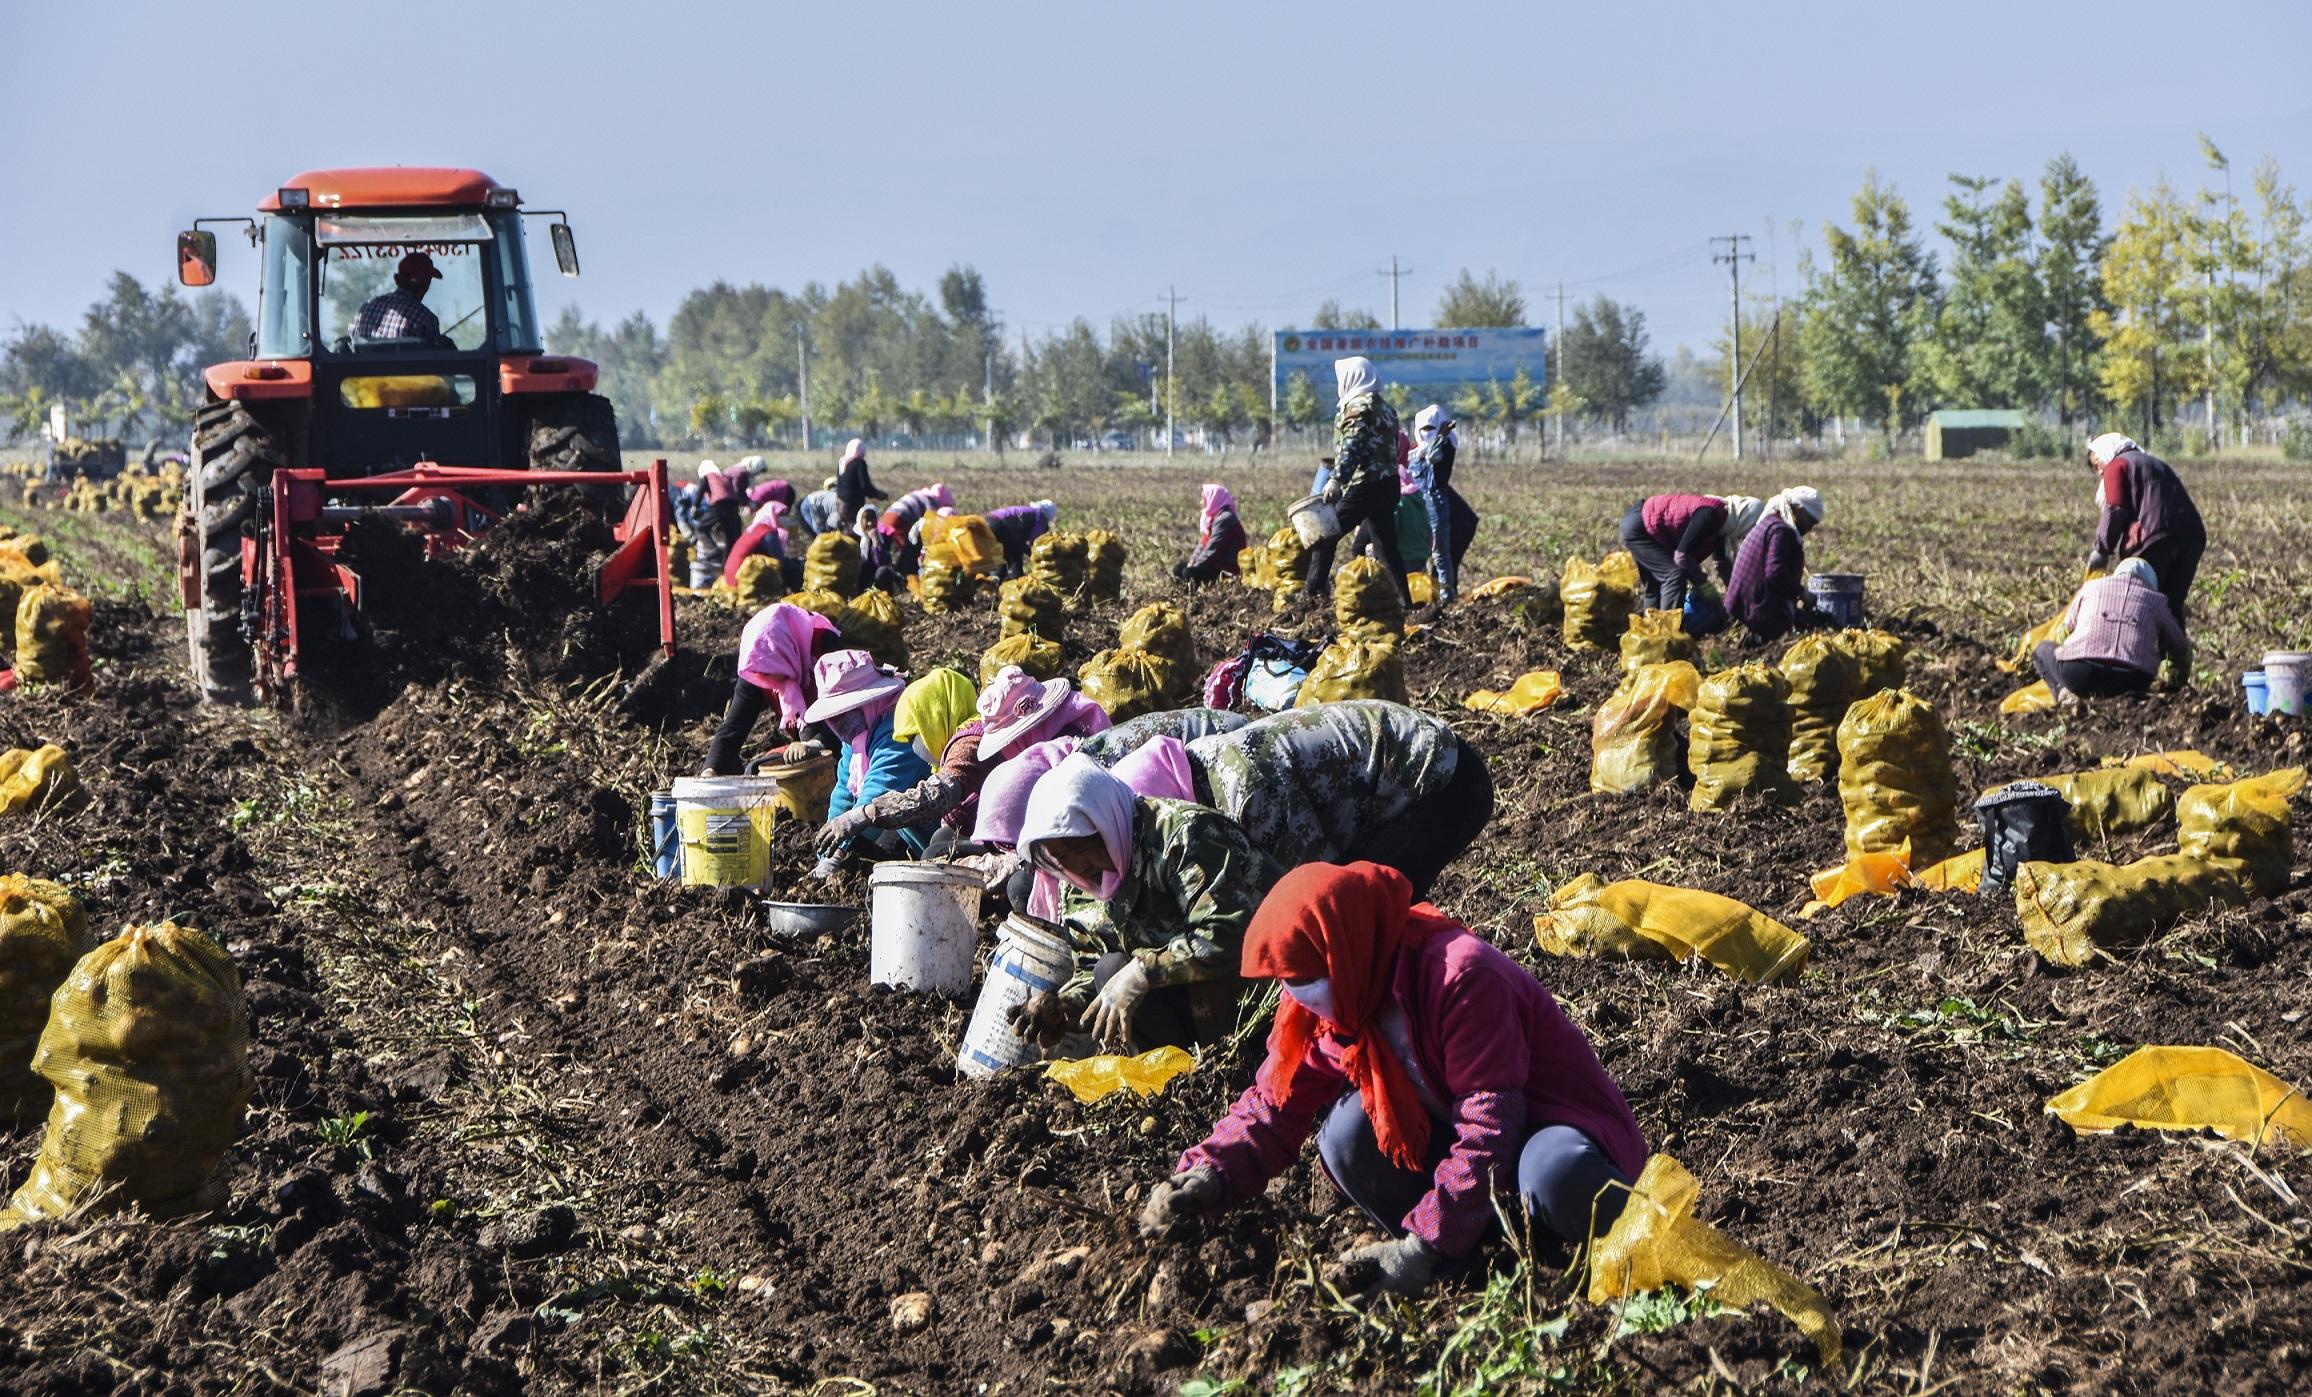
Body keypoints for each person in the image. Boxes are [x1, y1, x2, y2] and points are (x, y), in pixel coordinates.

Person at [1137, 862, 1647, 1296]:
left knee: (1554, 1174)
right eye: (1287, 982)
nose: (1296, 995)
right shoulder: (1345, 1000)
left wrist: (1420, 1246)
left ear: (1346, 947)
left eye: (1304, 977)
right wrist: (1211, 1173)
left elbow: (1494, 1123)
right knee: (1345, 1136)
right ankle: (1475, 1253)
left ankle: (1593, 1250)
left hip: (1548, 1129)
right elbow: (1276, 1101)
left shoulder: (1460, 977)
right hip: (1474, 1146)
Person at [1013, 752, 1283, 1052]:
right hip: (1179, 996)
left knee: (1132, 973)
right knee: (1109, 969)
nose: (1078, 864)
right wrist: (1060, 1009)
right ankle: (1177, 1074)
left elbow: (1229, 932)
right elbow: (1090, 971)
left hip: (1257, 985)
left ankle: (1241, 1058)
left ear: (1106, 821)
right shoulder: (1078, 888)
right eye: (1062, 857)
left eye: (1082, 845)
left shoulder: (1182, 837)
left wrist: (1144, 971)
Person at [1185, 701, 1491, 898]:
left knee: (1371, 912)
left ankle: (1454, 984)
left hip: (1446, 784)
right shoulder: (1198, 766)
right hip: (1407, 775)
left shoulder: (1245, 787)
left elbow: (1321, 888)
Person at [821, 665, 1116, 858]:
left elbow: (937, 795)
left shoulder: (969, 743)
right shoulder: (971, 736)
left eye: (915, 737)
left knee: (937, 852)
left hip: (1060, 831)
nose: (914, 748)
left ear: (933, 721)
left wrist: (865, 815)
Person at [1305, 358, 1413, 608]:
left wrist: (1336, 480)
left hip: (1366, 485)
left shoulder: (1358, 408)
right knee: (1386, 547)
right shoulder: (1386, 409)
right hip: (1389, 484)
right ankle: (1404, 603)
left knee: (1325, 534)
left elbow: (1352, 446)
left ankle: (1311, 597)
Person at [699, 604, 843, 775]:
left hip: (841, 741)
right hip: (803, 746)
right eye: (763, 672)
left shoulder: (823, 647)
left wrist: (816, 743)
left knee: (809, 750)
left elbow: (849, 711)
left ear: (787, 648)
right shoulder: (758, 667)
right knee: (754, 771)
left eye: (775, 665)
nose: (769, 678)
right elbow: (735, 724)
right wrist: (711, 769)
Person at [2032, 558, 2191, 703]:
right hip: (2132, 679)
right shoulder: (2156, 600)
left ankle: (2065, 695)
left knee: (2041, 650)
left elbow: (2063, 632)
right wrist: (2176, 683)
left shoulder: (2091, 587)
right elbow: (2180, 647)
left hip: (2079, 673)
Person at [2086, 433, 2205, 627]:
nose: (2100, 472)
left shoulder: (2117, 465)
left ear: (2107, 452)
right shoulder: (2155, 463)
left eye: (2097, 464)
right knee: (2171, 605)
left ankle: (2137, 653)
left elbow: (2115, 510)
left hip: (2154, 540)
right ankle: (2177, 655)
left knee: (2138, 603)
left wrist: (2102, 549)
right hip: (2192, 536)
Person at [1723, 487, 1829, 643]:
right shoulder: (1781, 531)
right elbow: (1775, 573)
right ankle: (1759, 637)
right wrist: (1801, 592)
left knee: (1805, 621)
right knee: (1808, 630)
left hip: (1745, 602)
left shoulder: (1772, 522)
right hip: (1753, 607)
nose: (1811, 527)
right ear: (1799, 511)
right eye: (1811, 521)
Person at [1619, 493, 1738, 613]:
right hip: (1642, 525)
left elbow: (1722, 564)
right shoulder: (1711, 515)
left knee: (1655, 586)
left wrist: (1735, 597)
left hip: (1641, 521)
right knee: (1673, 576)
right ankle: (1668, 630)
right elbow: (1681, 557)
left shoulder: (1722, 527)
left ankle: (1650, 629)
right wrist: (1704, 585)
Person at [1403, 408, 1456, 603]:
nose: (1426, 432)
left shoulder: (1445, 447)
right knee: (1419, 551)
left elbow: (1434, 456)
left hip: (1435, 504)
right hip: (1416, 506)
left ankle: (1445, 598)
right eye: (1423, 428)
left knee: (1439, 554)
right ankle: (1423, 595)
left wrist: (1441, 436)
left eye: (1431, 428)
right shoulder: (1415, 451)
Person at [353, 252, 451, 347]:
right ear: (425, 284)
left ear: (399, 279)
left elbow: (352, 342)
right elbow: (435, 360)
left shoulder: (366, 309)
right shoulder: (425, 318)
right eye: (429, 280)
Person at [722, 498, 803, 592]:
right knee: (794, 572)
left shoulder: (755, 529)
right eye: (780, 515)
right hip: (743, 578)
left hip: (731, 575)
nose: (783, 518)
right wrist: (799, 563)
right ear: (772, 515)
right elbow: (781, 562)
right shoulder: (767, 533)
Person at [1174, 484, 1248, 584]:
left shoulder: (1225, 519)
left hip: (1226, 568)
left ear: (1213, 499)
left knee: (1189, 573)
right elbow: (1202, 545)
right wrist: (1192, 561)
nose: (1201, 502)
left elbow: (1212, 549)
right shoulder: (1214, 518)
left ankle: (1192, 595)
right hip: (1215, 562)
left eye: (1203, 498)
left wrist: (1195, 565)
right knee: (1179, 568)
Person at [880, 483, 959, 575]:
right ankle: (903, 574)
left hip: (887, 519)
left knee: (891, 549)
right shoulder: (931, 501)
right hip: (900, 521)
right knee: (907, 550)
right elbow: (932, 523)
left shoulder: (919, 494)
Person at [690, 462, 745, 589]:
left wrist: (695, 507)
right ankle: (728, 572)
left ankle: (713, 551)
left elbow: (701, 491)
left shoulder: (708, 476)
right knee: (731, 540)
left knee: (700, 528)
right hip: (733, 506)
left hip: (720, 505)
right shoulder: (724, 476)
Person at [985, 500, 1058, 576]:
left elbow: (1020, 541)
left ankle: (997, 579)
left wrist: (1028, 552)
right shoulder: (1039, 517)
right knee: (1014, 556)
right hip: (999, 526)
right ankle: (1014, 579)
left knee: (1005, 557)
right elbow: (1035, 542)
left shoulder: (1030, 512)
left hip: (989, 522)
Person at [834, 438, 887, 524]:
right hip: (853, 505)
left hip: (841, 504)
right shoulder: (859, 463)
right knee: (854, 531)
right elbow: (865, 485)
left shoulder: (842, 462)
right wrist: (878, 494)